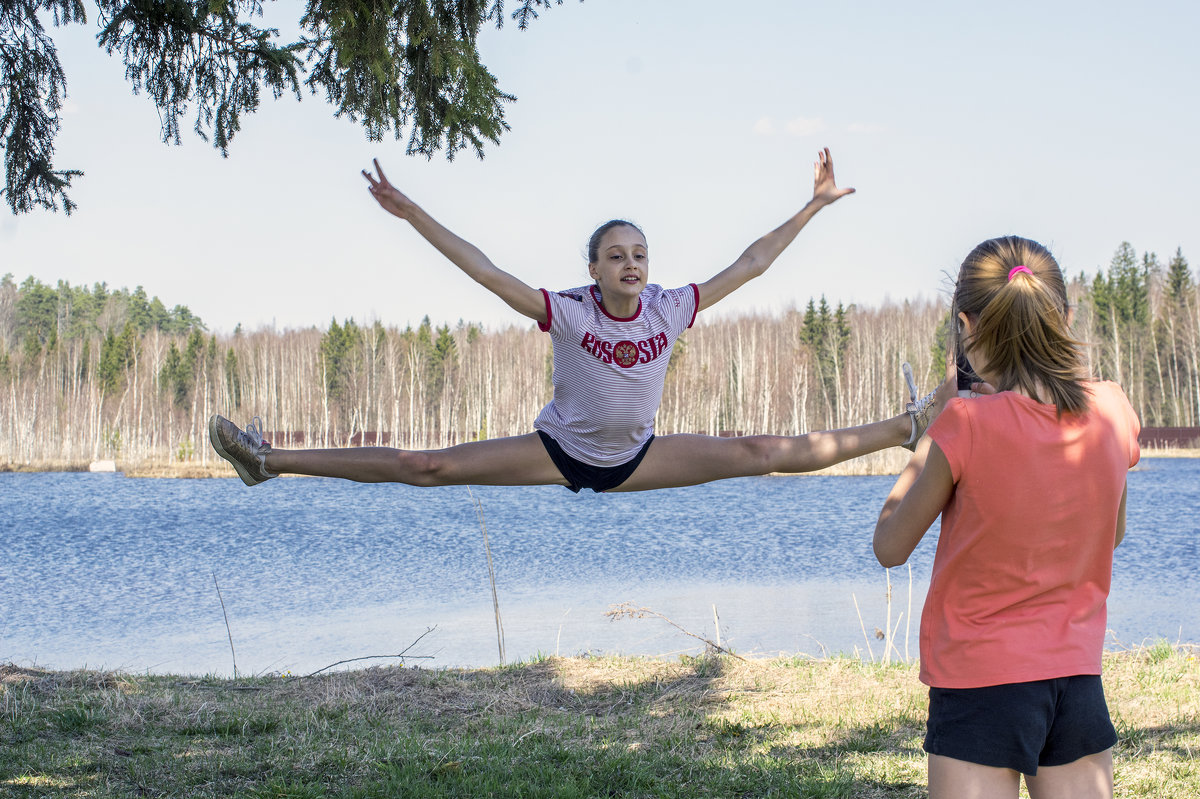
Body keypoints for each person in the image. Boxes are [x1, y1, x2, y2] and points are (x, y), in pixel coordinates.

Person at [210, 148, 937, 492]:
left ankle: (909, 427)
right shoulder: (568, 311)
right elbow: (488, 271)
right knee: (424, 465)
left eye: (640, 254)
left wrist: (812, 205)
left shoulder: (668, 306)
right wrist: (413, 214)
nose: (632, 264)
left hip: (639, 456)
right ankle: (266, 461)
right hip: (557, 450)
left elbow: (752, 263)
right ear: (593, 268)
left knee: (757, 449)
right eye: (617, 255)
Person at [873, 236, 1140, 799]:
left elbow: (891, 545)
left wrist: (930, 429)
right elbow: (1111, 534)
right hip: (1076, 675)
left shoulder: (966, 424)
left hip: (978, 681)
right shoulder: (1114, 408)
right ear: (1065, 317)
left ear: (967, 327)